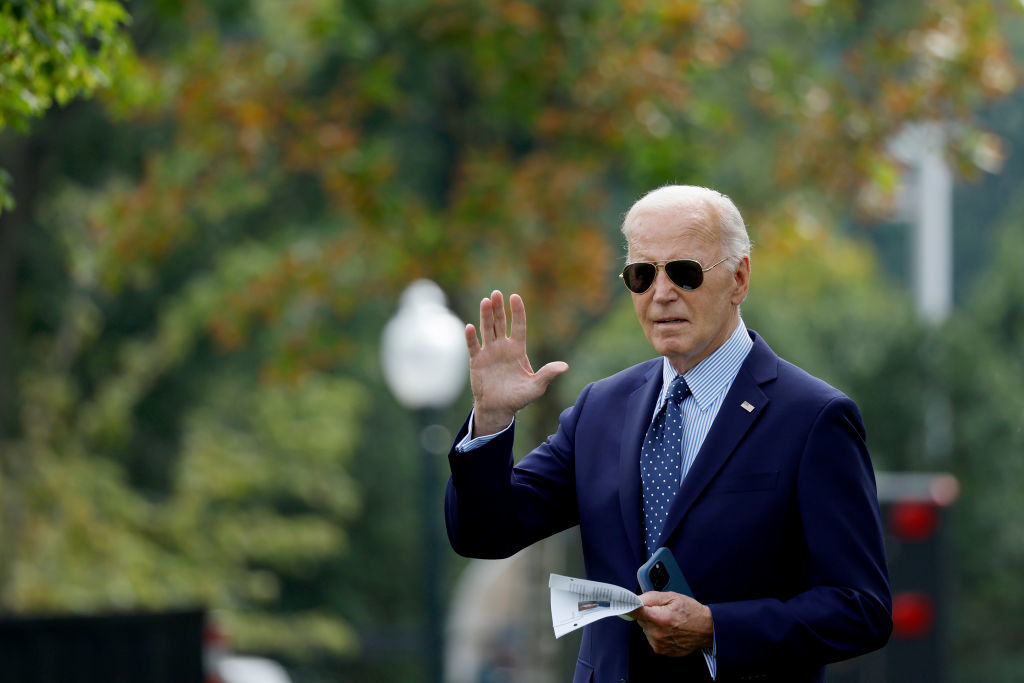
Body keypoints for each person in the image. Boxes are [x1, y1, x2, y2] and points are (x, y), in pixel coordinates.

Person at [444, 185, 892, 682]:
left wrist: (715, 627)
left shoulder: (813, 417)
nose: (661, 294)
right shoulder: (601, 409)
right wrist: (491, 420)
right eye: (642, 275)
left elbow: (861, 610)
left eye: (685, 272)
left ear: (739, 278)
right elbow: (485, 532)